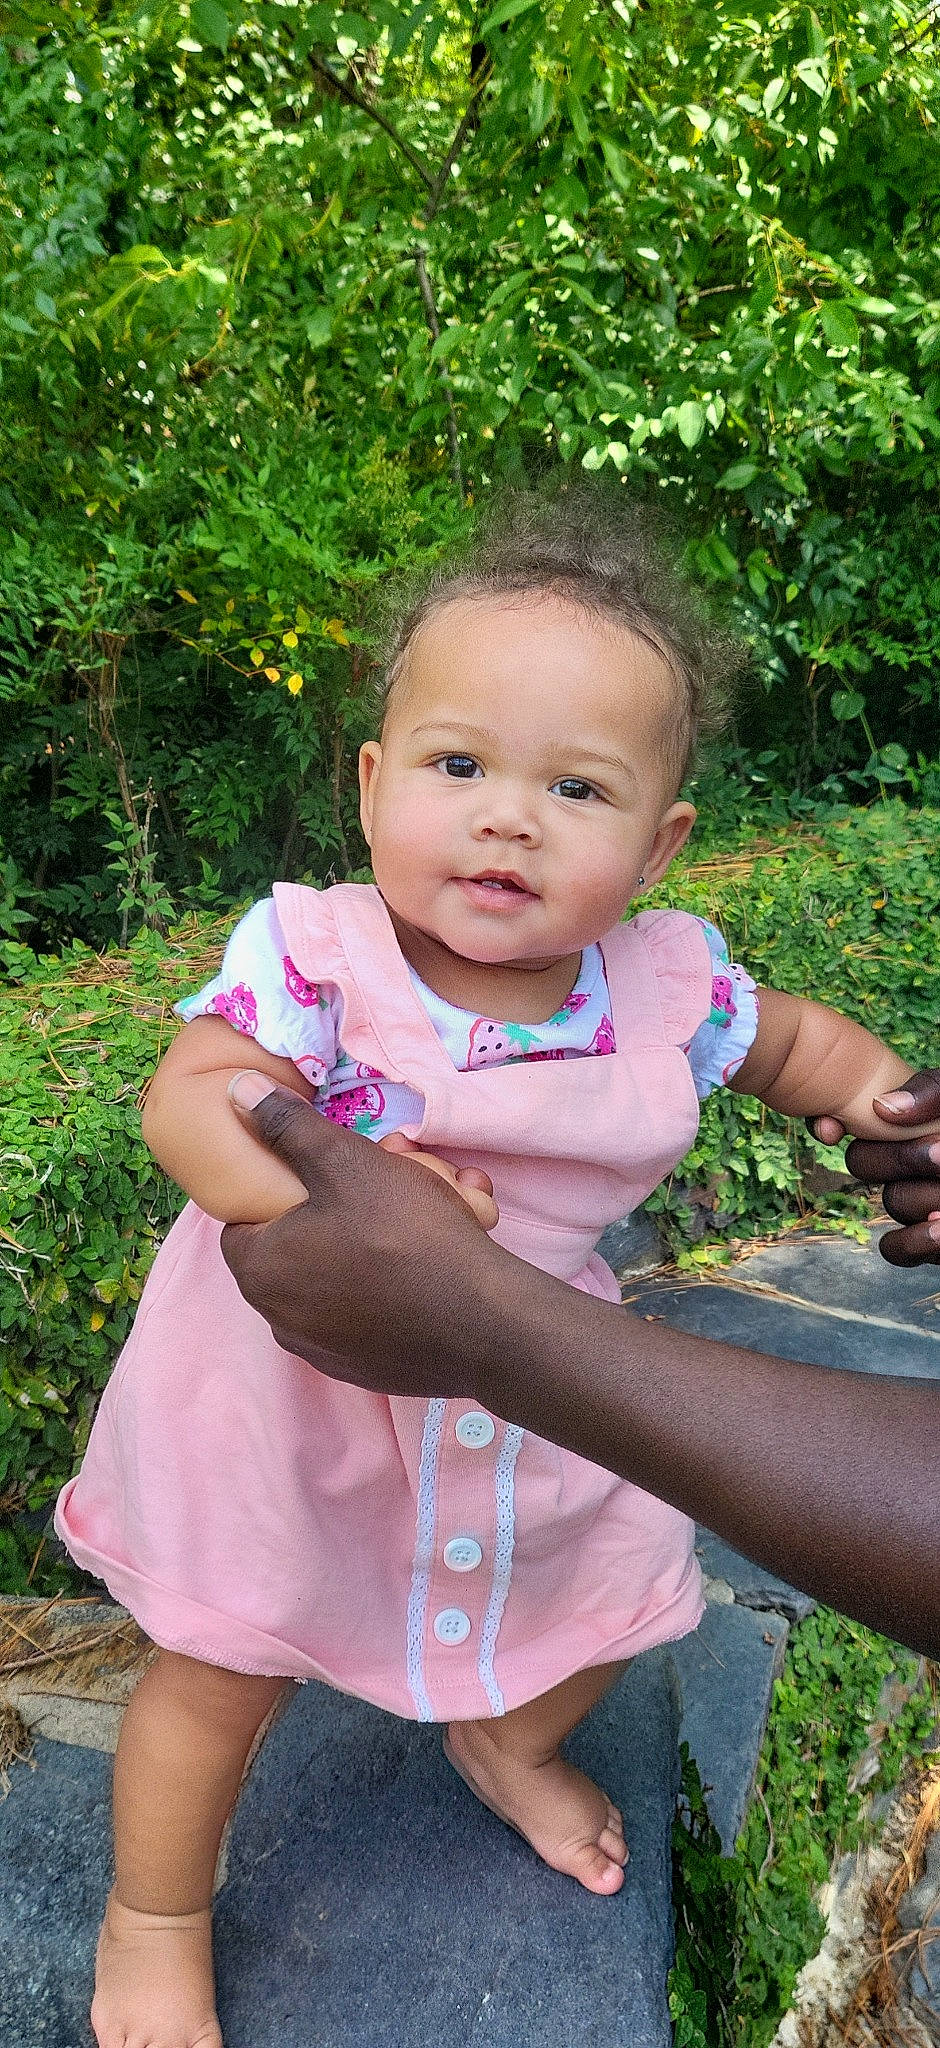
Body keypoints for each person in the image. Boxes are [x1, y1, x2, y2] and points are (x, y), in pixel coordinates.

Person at [54, 494, 940, 2048]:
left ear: (660, 840)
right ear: (375, 781)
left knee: (613, 1597)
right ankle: (155, 1913)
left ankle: (505, 1745)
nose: (507, 816)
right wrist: (327, 1189)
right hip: (286, 1388)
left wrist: (885, 1102)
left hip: (532, 1379)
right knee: (222, 1663)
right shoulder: (316, 956)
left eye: (576, 786)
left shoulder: (667, 983)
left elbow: (796, 1045)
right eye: (460, 767)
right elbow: (187, 1098)